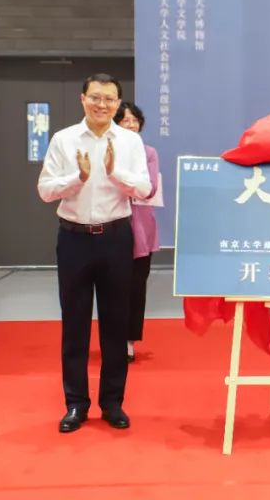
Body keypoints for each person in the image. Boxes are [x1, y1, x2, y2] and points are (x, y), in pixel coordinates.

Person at [37, 74, 151, 433]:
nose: (102, 105)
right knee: (75, 325)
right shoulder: (64, 139)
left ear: (118, 104)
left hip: (116, 238)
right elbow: (45, 190)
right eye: (96, 97)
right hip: (74, 239)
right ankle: (76, 404)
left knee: (116, 324)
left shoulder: (130, 141)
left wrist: (115, 174)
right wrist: (79, 178)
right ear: (82, 98)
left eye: (110, 99)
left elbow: (145, 188)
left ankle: (112, 403)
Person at [113, 101, 161, 362]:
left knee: (136, 286)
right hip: (112, 223)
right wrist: (130, 184)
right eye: (125, 120)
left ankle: (129, 340)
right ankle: (112, 337)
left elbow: (149, 188)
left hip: (141, 226)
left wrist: (123, 182)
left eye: (134, 120)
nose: (131, 125)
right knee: (113, 286)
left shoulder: (149, 152)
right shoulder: (108, 150)